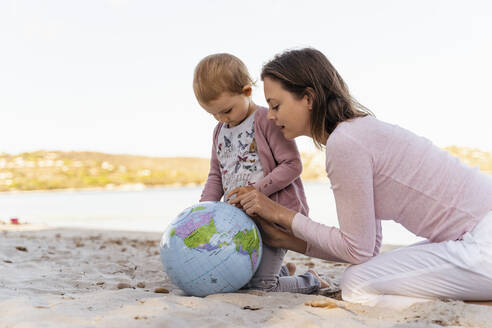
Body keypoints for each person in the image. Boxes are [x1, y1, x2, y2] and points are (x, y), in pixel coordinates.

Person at [228, 47, 492, 309]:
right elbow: (365, 248)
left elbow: (357, 251)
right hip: (471, 236)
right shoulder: (356, 134)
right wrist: (286, 239)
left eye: (276, 105)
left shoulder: (345, 143)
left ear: (308, 98)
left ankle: (478, 305)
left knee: (356, 284)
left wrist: (279, 213)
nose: (270, 115)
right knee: (364, 273)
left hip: (483, 240)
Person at [193, 53, 326, 293]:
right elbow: (216, 175)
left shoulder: (266, 119)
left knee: (261, 286)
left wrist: (254, 192)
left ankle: (312, 280)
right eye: (214, 114)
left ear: (246, 91)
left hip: (274, 217)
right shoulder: (219, 131)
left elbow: (292, 165)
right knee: (239, 277)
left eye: (227, 110)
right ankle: (283, 272)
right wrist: (204, 211)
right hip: (240, 221)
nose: (222, 119)